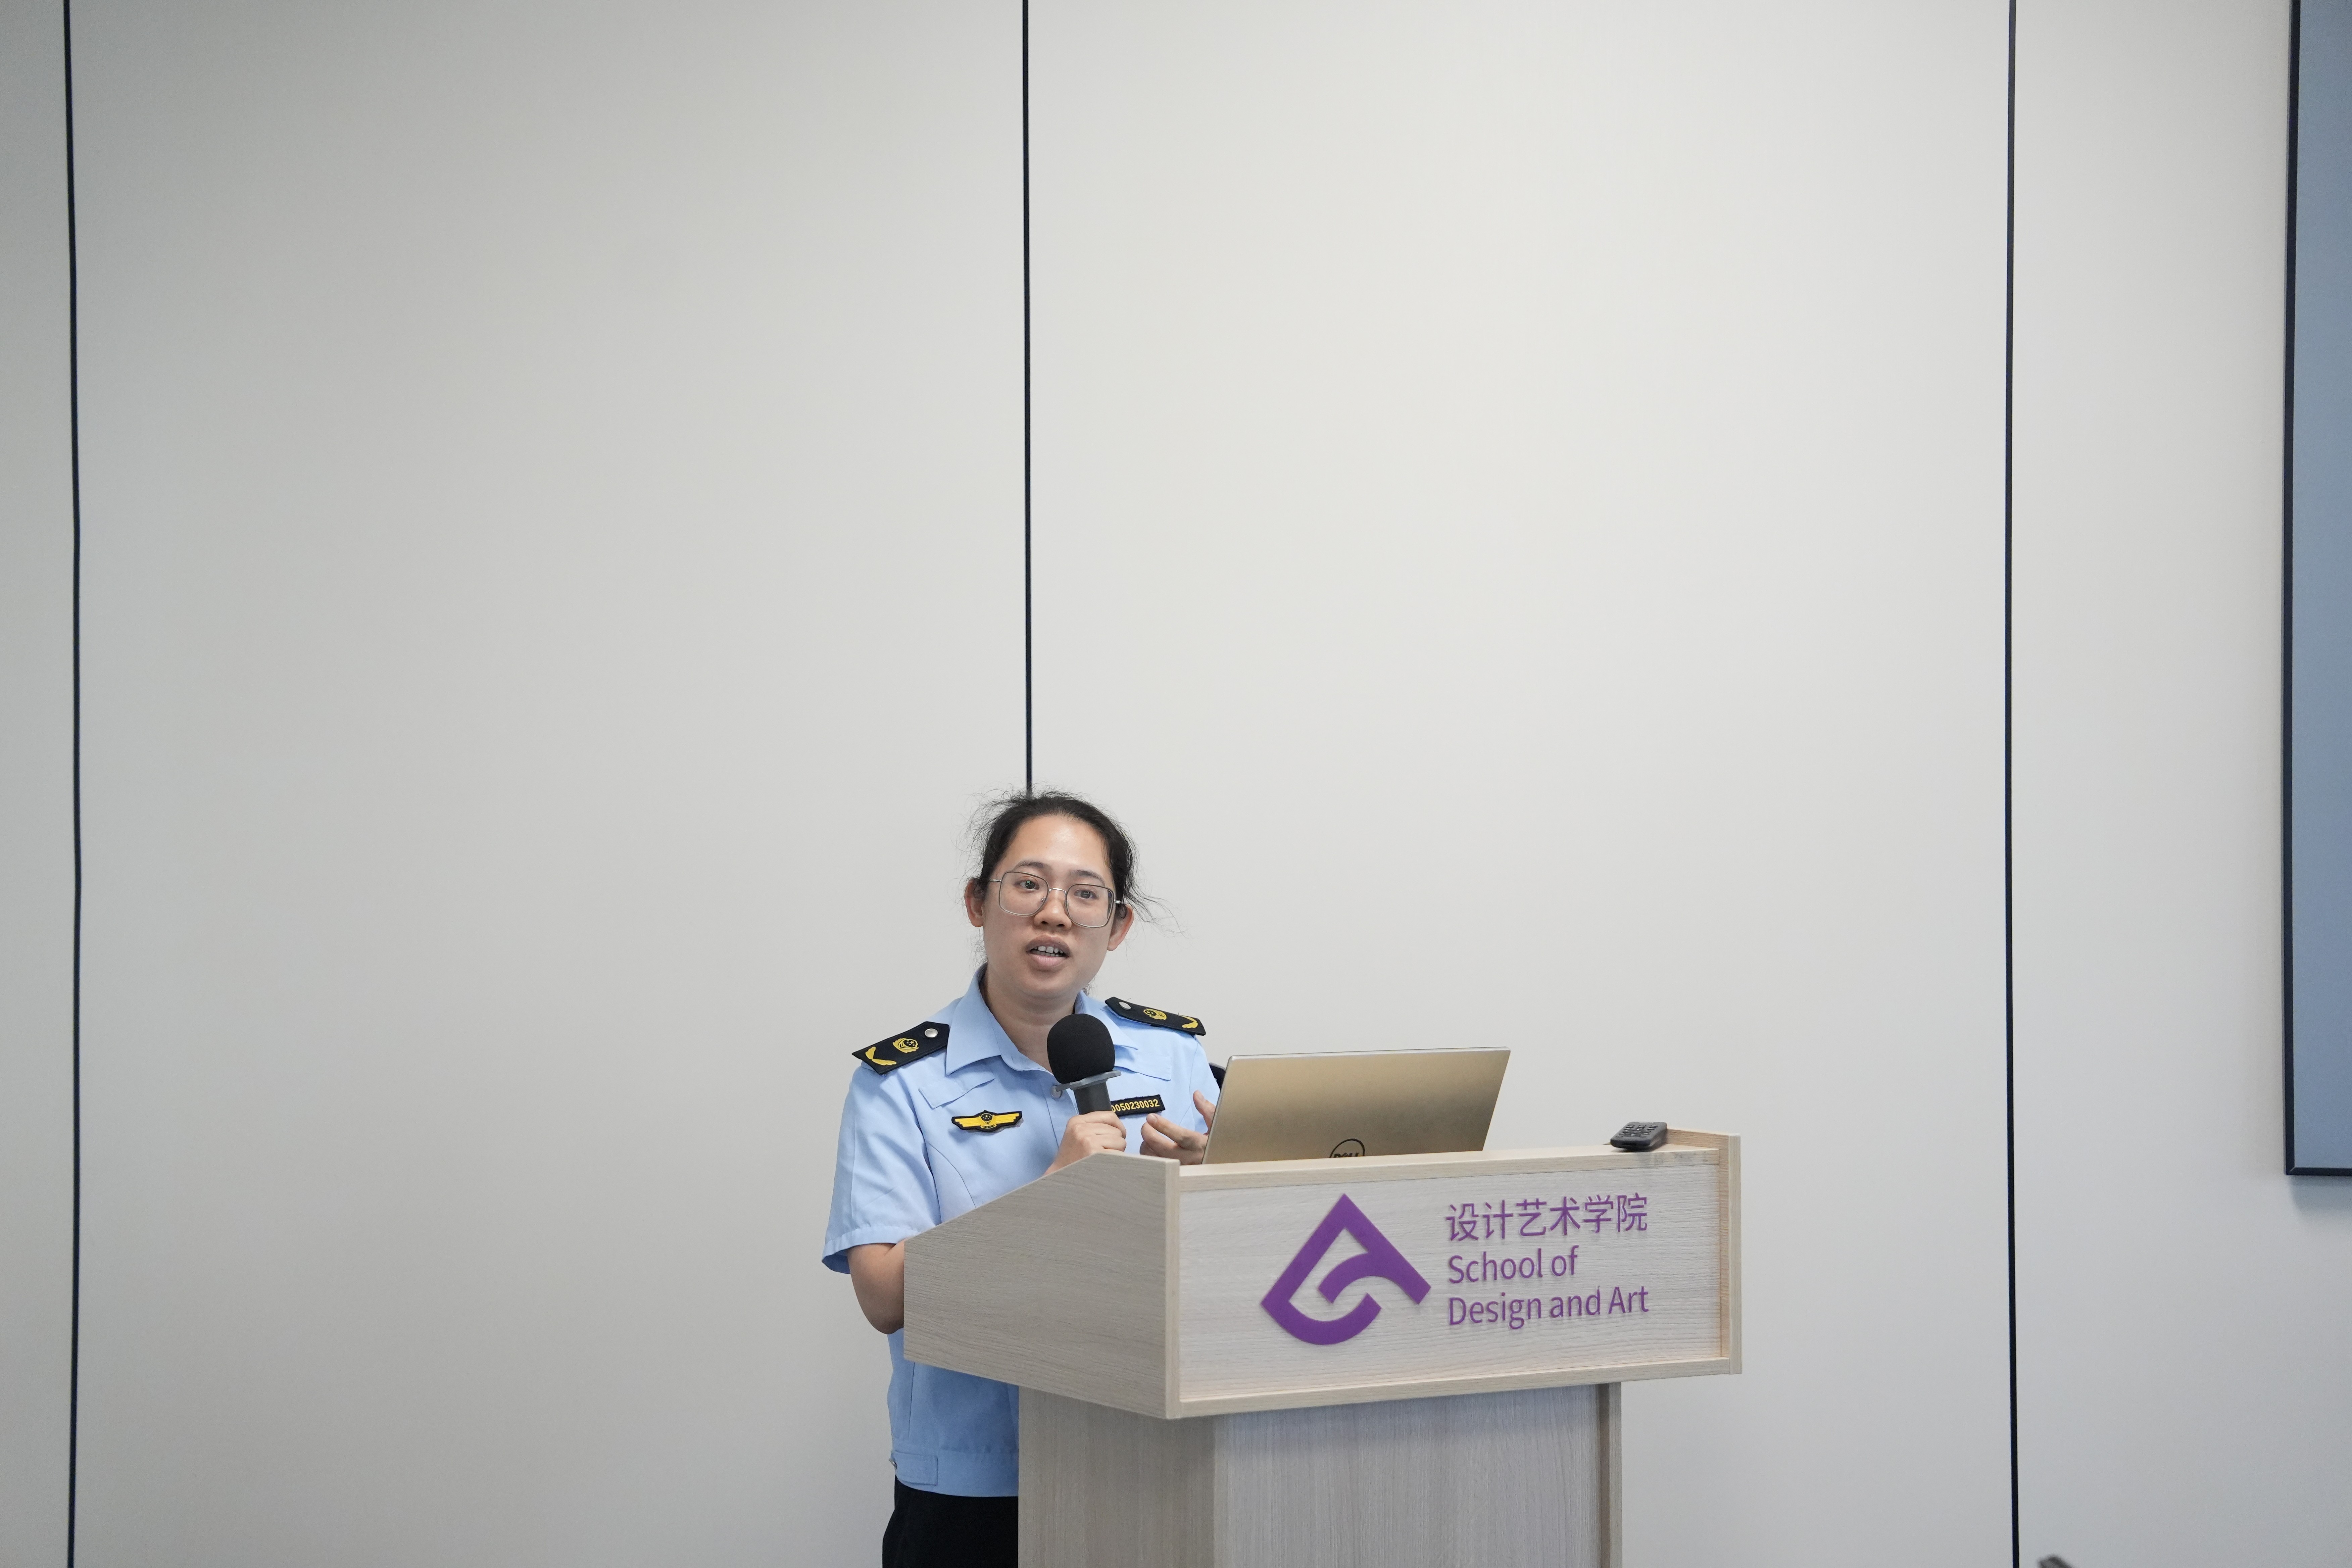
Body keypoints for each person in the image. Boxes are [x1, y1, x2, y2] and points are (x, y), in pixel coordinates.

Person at [822, 792, 1220, 1568]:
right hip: (978, 1484)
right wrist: (1050, 1198)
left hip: (1153, 1451)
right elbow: (883, 1295)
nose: (1054, 912)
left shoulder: (1174, 1057)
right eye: (1028, 884)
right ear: (979, 902)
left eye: (1085, 893)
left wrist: (1210, 1189)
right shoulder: (901, 1082)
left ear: (1118, 924)